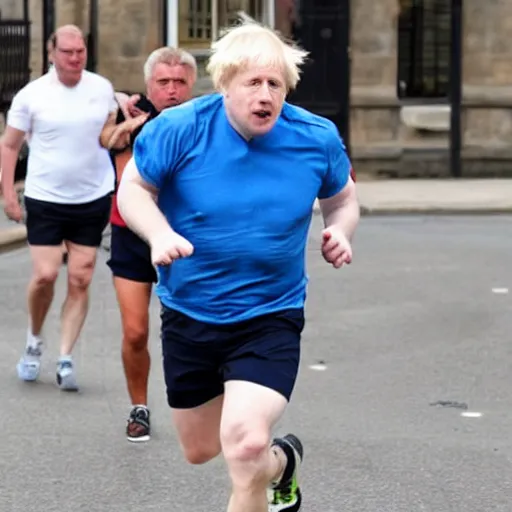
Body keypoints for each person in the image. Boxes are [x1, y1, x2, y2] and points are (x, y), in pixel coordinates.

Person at [117, 19, 360, 512]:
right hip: (191, 313)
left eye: (275, 83)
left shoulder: (316, 138)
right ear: (225, 84)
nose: (265, 94)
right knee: (201, 449)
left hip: (270, 315)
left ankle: (262, 462)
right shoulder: (179, 129)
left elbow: (343, 197)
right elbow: (134, 190)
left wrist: (340, 229)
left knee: (244, 445)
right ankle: (282, 464)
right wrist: (160, 233)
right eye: (253, 82)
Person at [0, 25, 117, 391]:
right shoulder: (31, 95)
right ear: (52, 53)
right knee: (46, 275)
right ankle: (34, 340)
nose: (75, 58)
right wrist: (7, 193)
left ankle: (66, 356)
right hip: (46, 198)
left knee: (81, 277)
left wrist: (125, 109)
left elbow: (111, 129)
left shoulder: (101, 88)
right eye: (67, 51)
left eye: (80, 51)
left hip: (92, 197)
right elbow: (9, 146)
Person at [99, 46, 197, 442]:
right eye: (163, 82)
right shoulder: (128, 115)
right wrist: (125, 123)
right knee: (136, 331)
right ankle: (139, 406)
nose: (171, 90)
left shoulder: (200, 122)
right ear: (148, 85)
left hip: (183, 236)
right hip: (131, 234)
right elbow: (107, 140)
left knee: (191, 329)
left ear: (190, 85)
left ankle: (203, 402)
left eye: (179, 82)